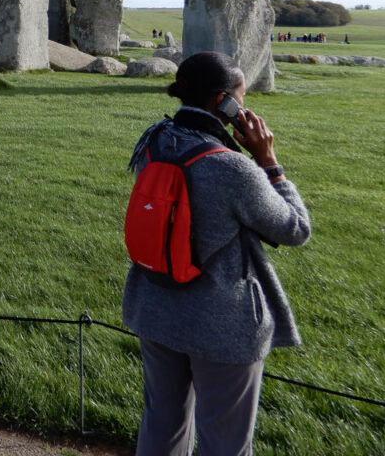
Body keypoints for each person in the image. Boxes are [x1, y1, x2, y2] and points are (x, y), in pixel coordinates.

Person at [123, 51, 311, 456]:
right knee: (224, 443)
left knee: (161, 425)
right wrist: (269, 163)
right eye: (240, 100)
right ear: (223, 101)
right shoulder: (233, 170)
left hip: (155, 303)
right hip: (222, 324)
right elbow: (295, 229)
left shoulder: (155, 140)